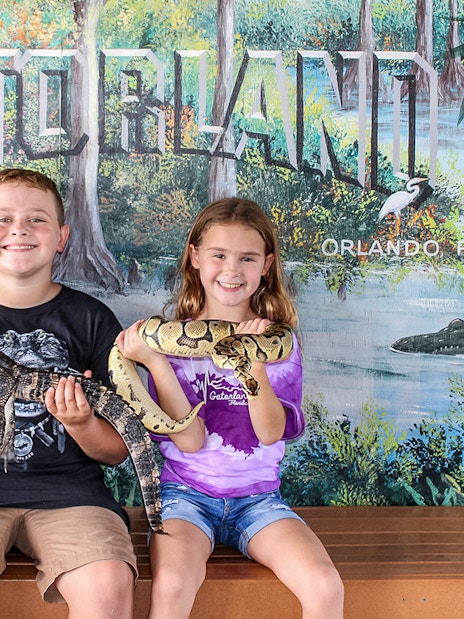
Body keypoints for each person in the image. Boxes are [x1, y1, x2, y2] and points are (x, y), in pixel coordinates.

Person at [117, 197, 344, 619]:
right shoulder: (169, 342)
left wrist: (252, 360)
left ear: (266, 265)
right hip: (184, 497)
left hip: (259, 500)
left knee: (324, 585)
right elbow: (189, 438)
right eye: (219, 255)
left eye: (247, 258)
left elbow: (271, 433)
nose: (232, 269)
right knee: (172, 584)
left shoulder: (280, 343)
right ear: (195, 258)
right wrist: (153, 362)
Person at [0, 168, 137, 618]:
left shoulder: (93, 320)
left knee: (107, 584)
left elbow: (118, 449)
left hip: (72, 496)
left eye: (35, 219)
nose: (18, 229)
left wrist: (80, 422)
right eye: (3, 218)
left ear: (62, 237)